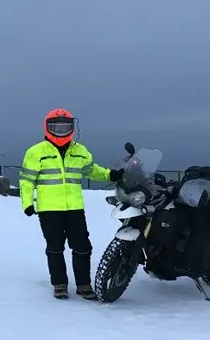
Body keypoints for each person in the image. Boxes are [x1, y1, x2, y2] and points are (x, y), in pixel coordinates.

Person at [19, 108, 124, 300]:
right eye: (56, 127)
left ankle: (83, 284)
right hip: (49, 209)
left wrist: (111, 174)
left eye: (65, 127)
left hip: (74, 208)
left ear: (72, 127)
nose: (60, 131)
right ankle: (59, 284)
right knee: (55, 247)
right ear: (47, 127)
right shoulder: (36, 152)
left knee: (83, 246)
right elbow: (26, 180)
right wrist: (27, 203)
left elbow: (92, 171)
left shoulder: (80, 150)